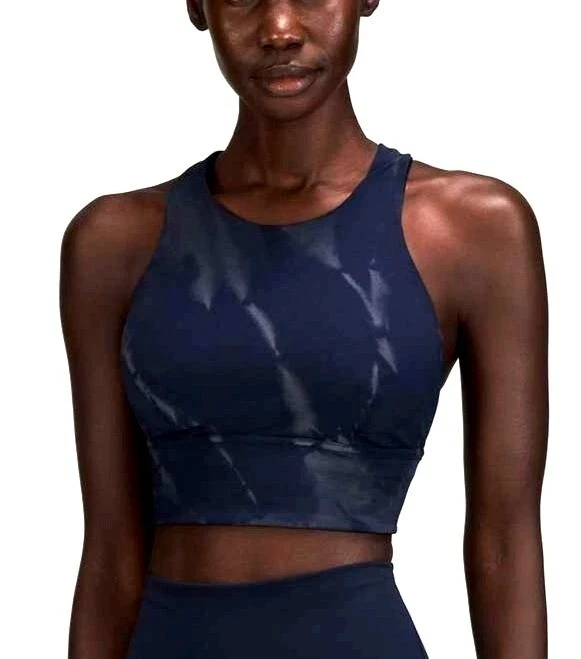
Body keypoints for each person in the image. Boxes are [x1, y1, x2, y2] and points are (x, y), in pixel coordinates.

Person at [59, 1, 548, 657]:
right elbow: (110, 551)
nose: (279, 28)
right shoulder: (114, 242)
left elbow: (504, 544)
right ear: (197, 6)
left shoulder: (472, 229)